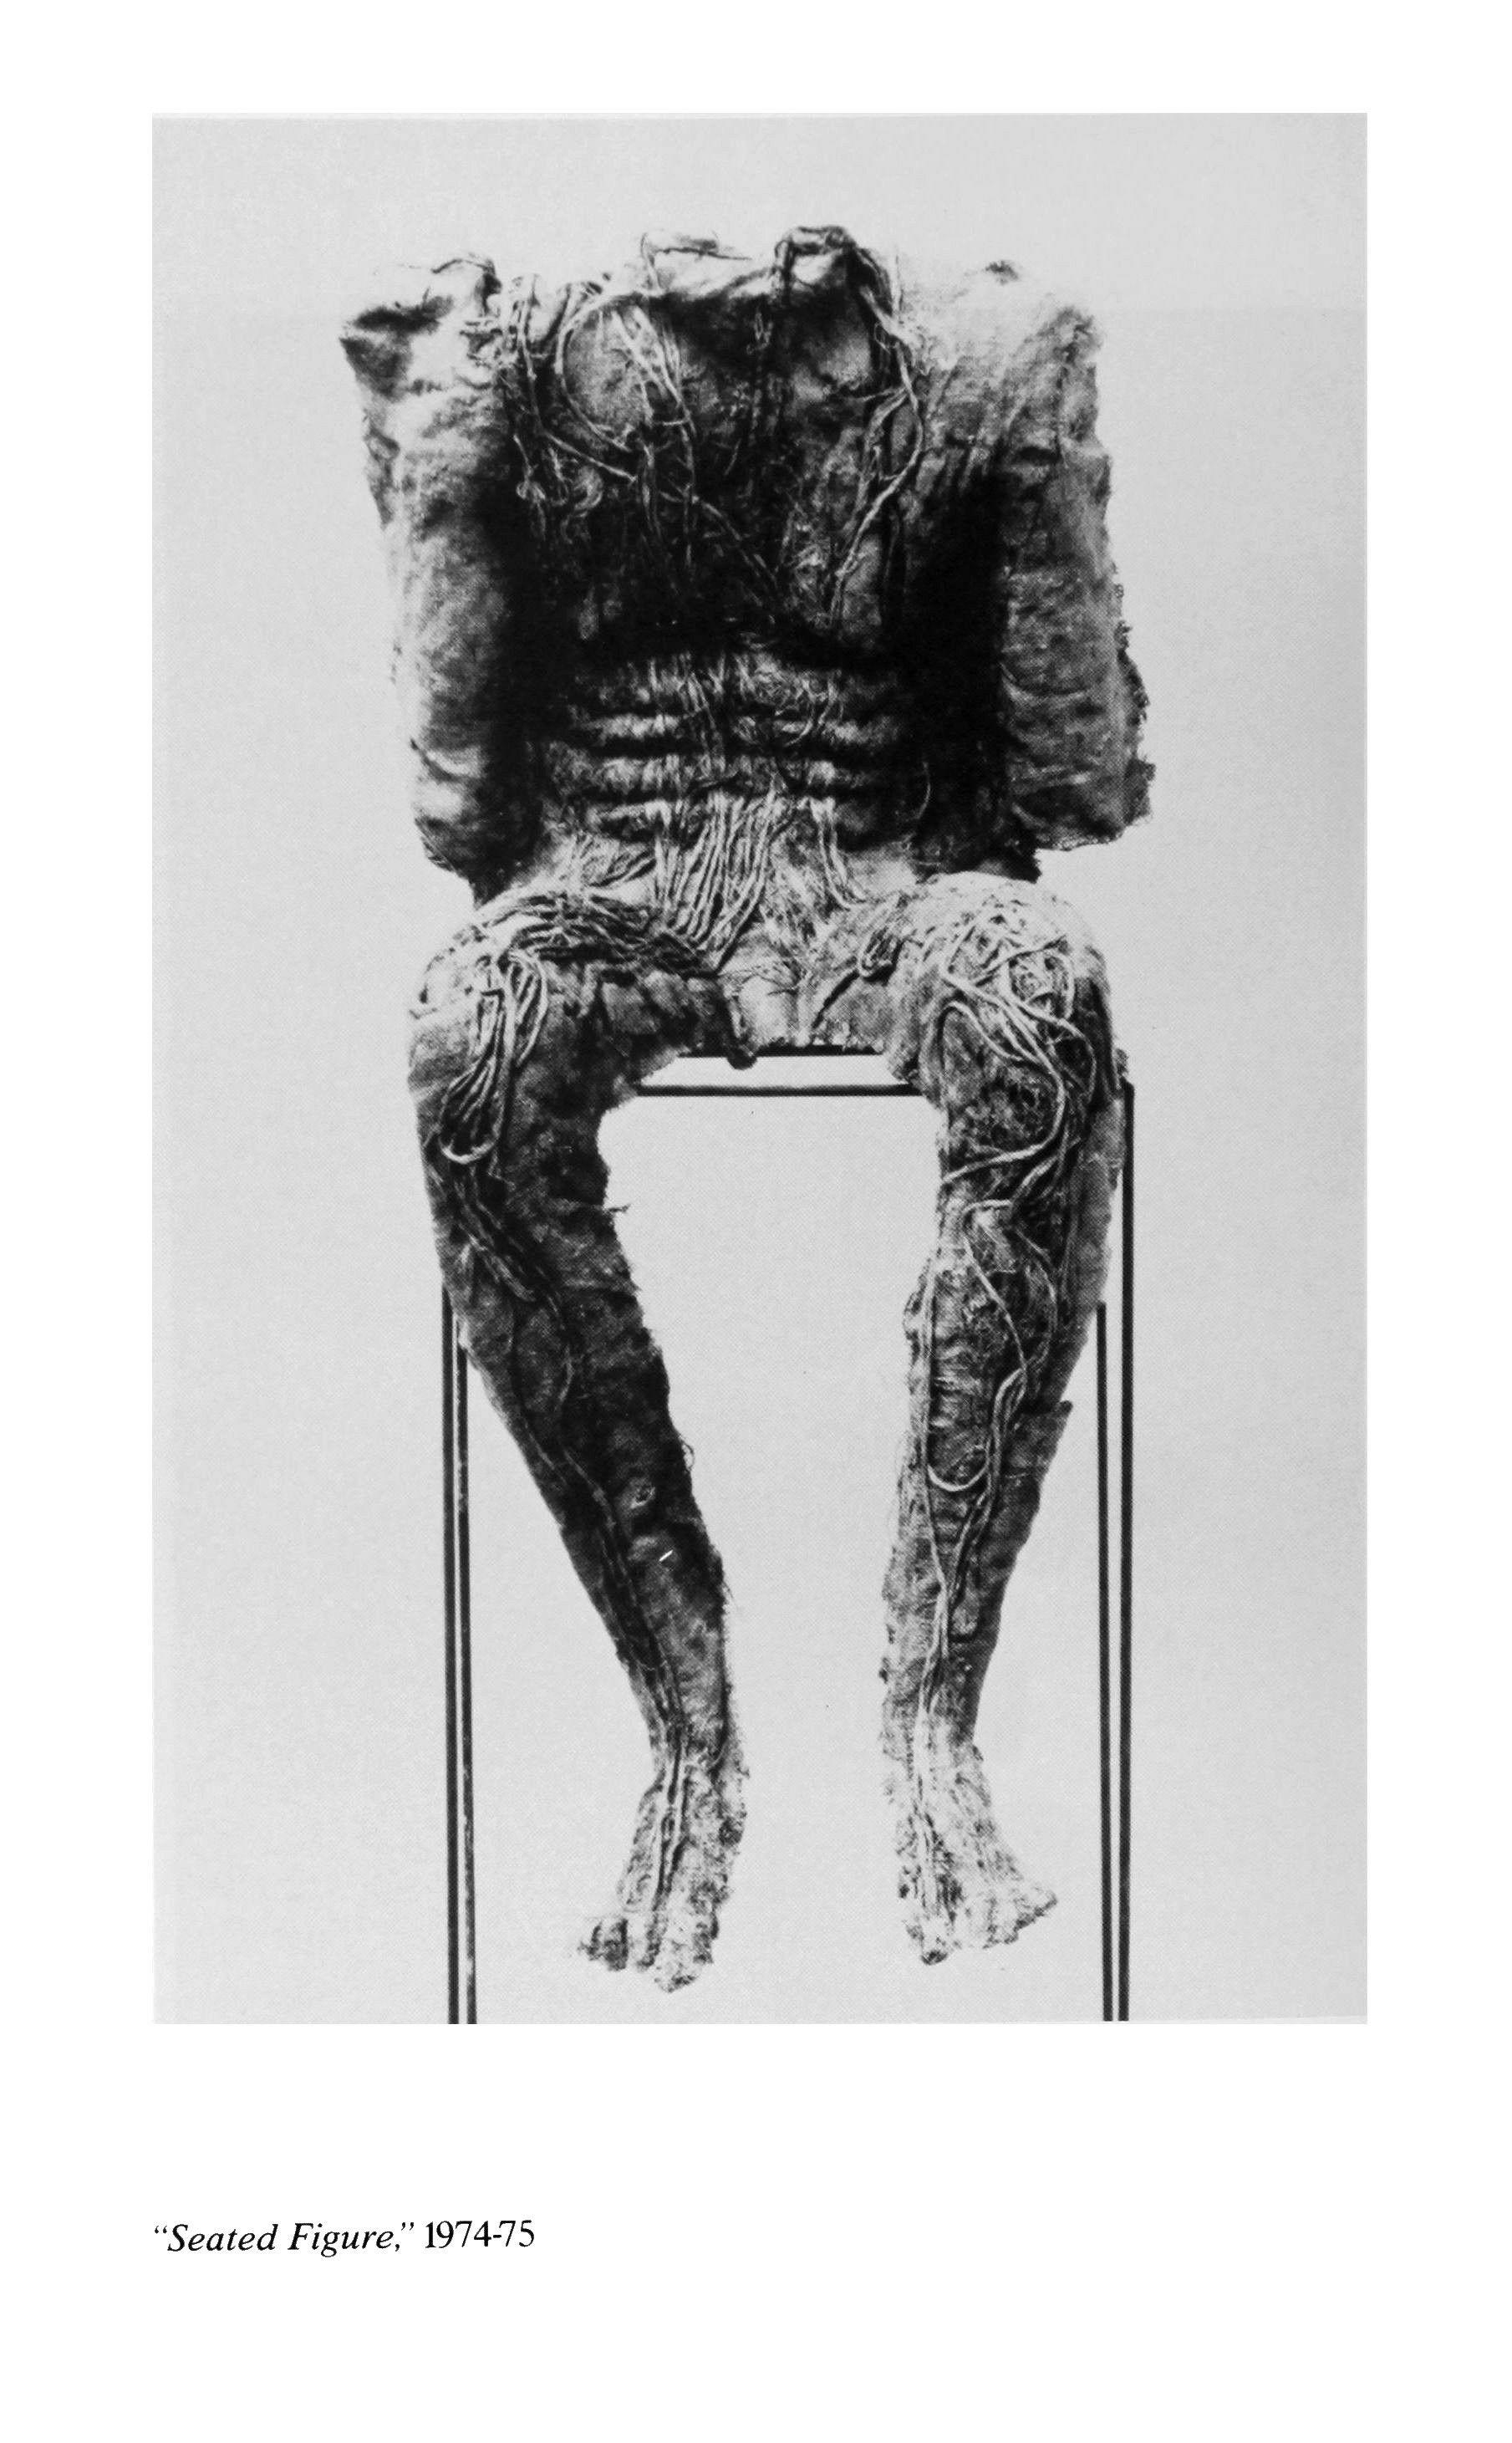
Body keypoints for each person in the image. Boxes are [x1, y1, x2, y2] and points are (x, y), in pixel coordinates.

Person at [343, 226, 1148, 1989]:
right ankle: (691, 1727)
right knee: (475, 1035)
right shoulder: (509, 364)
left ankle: (925, 1713)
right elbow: (1077, 771)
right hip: (647, 887)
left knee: (1032, 995)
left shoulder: (987, 358)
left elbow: (453, 794)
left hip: (860, 886)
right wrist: (442, 445)